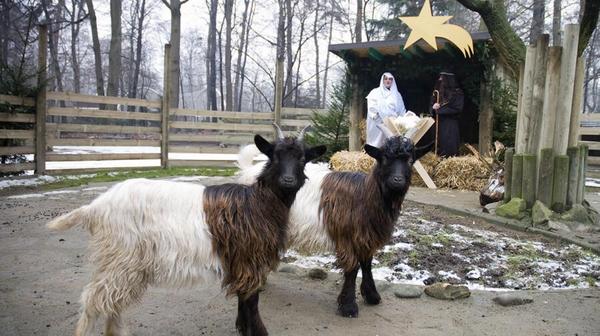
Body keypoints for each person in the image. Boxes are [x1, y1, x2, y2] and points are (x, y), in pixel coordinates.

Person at [366, 72, 406, 147]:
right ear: (383, 80)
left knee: (391, 143)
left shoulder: (397, 95)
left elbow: (401, 110)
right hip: (379, 121)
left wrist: (402, 120)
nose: (388, 81)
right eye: (386, 79)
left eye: (390, 79)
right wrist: (380, 117)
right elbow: (372, 107)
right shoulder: (375, 92)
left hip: (393, 123)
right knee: (377, 144)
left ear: (392, 81)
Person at [431, 72, 464, 157]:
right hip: (439, 123)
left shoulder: (457, 93)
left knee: (449, 144)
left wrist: (440, 110)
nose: (440, 79)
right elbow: (432, 104)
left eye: (442, 77)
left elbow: (457, 108)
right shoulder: (438, 92)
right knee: (440, 143)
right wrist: (433, 107)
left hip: (450, 124)